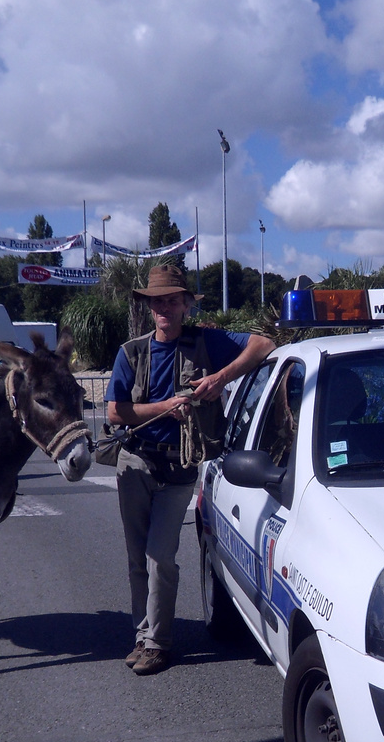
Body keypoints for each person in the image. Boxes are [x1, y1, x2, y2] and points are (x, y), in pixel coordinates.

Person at [105, 264, 274, 675]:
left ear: (185, 305)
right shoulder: (131, 352)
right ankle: (143, 634)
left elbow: (264, 344)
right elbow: (114, 412)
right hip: (136, 461)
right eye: (157, 301)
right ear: (149, 308)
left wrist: (221, 377)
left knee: (160, 555)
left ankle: (157, 644)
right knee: (136, 559)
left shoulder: (207, 342)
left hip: (179, 467)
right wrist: (164, 407)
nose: (164, 308)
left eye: (171, 300)